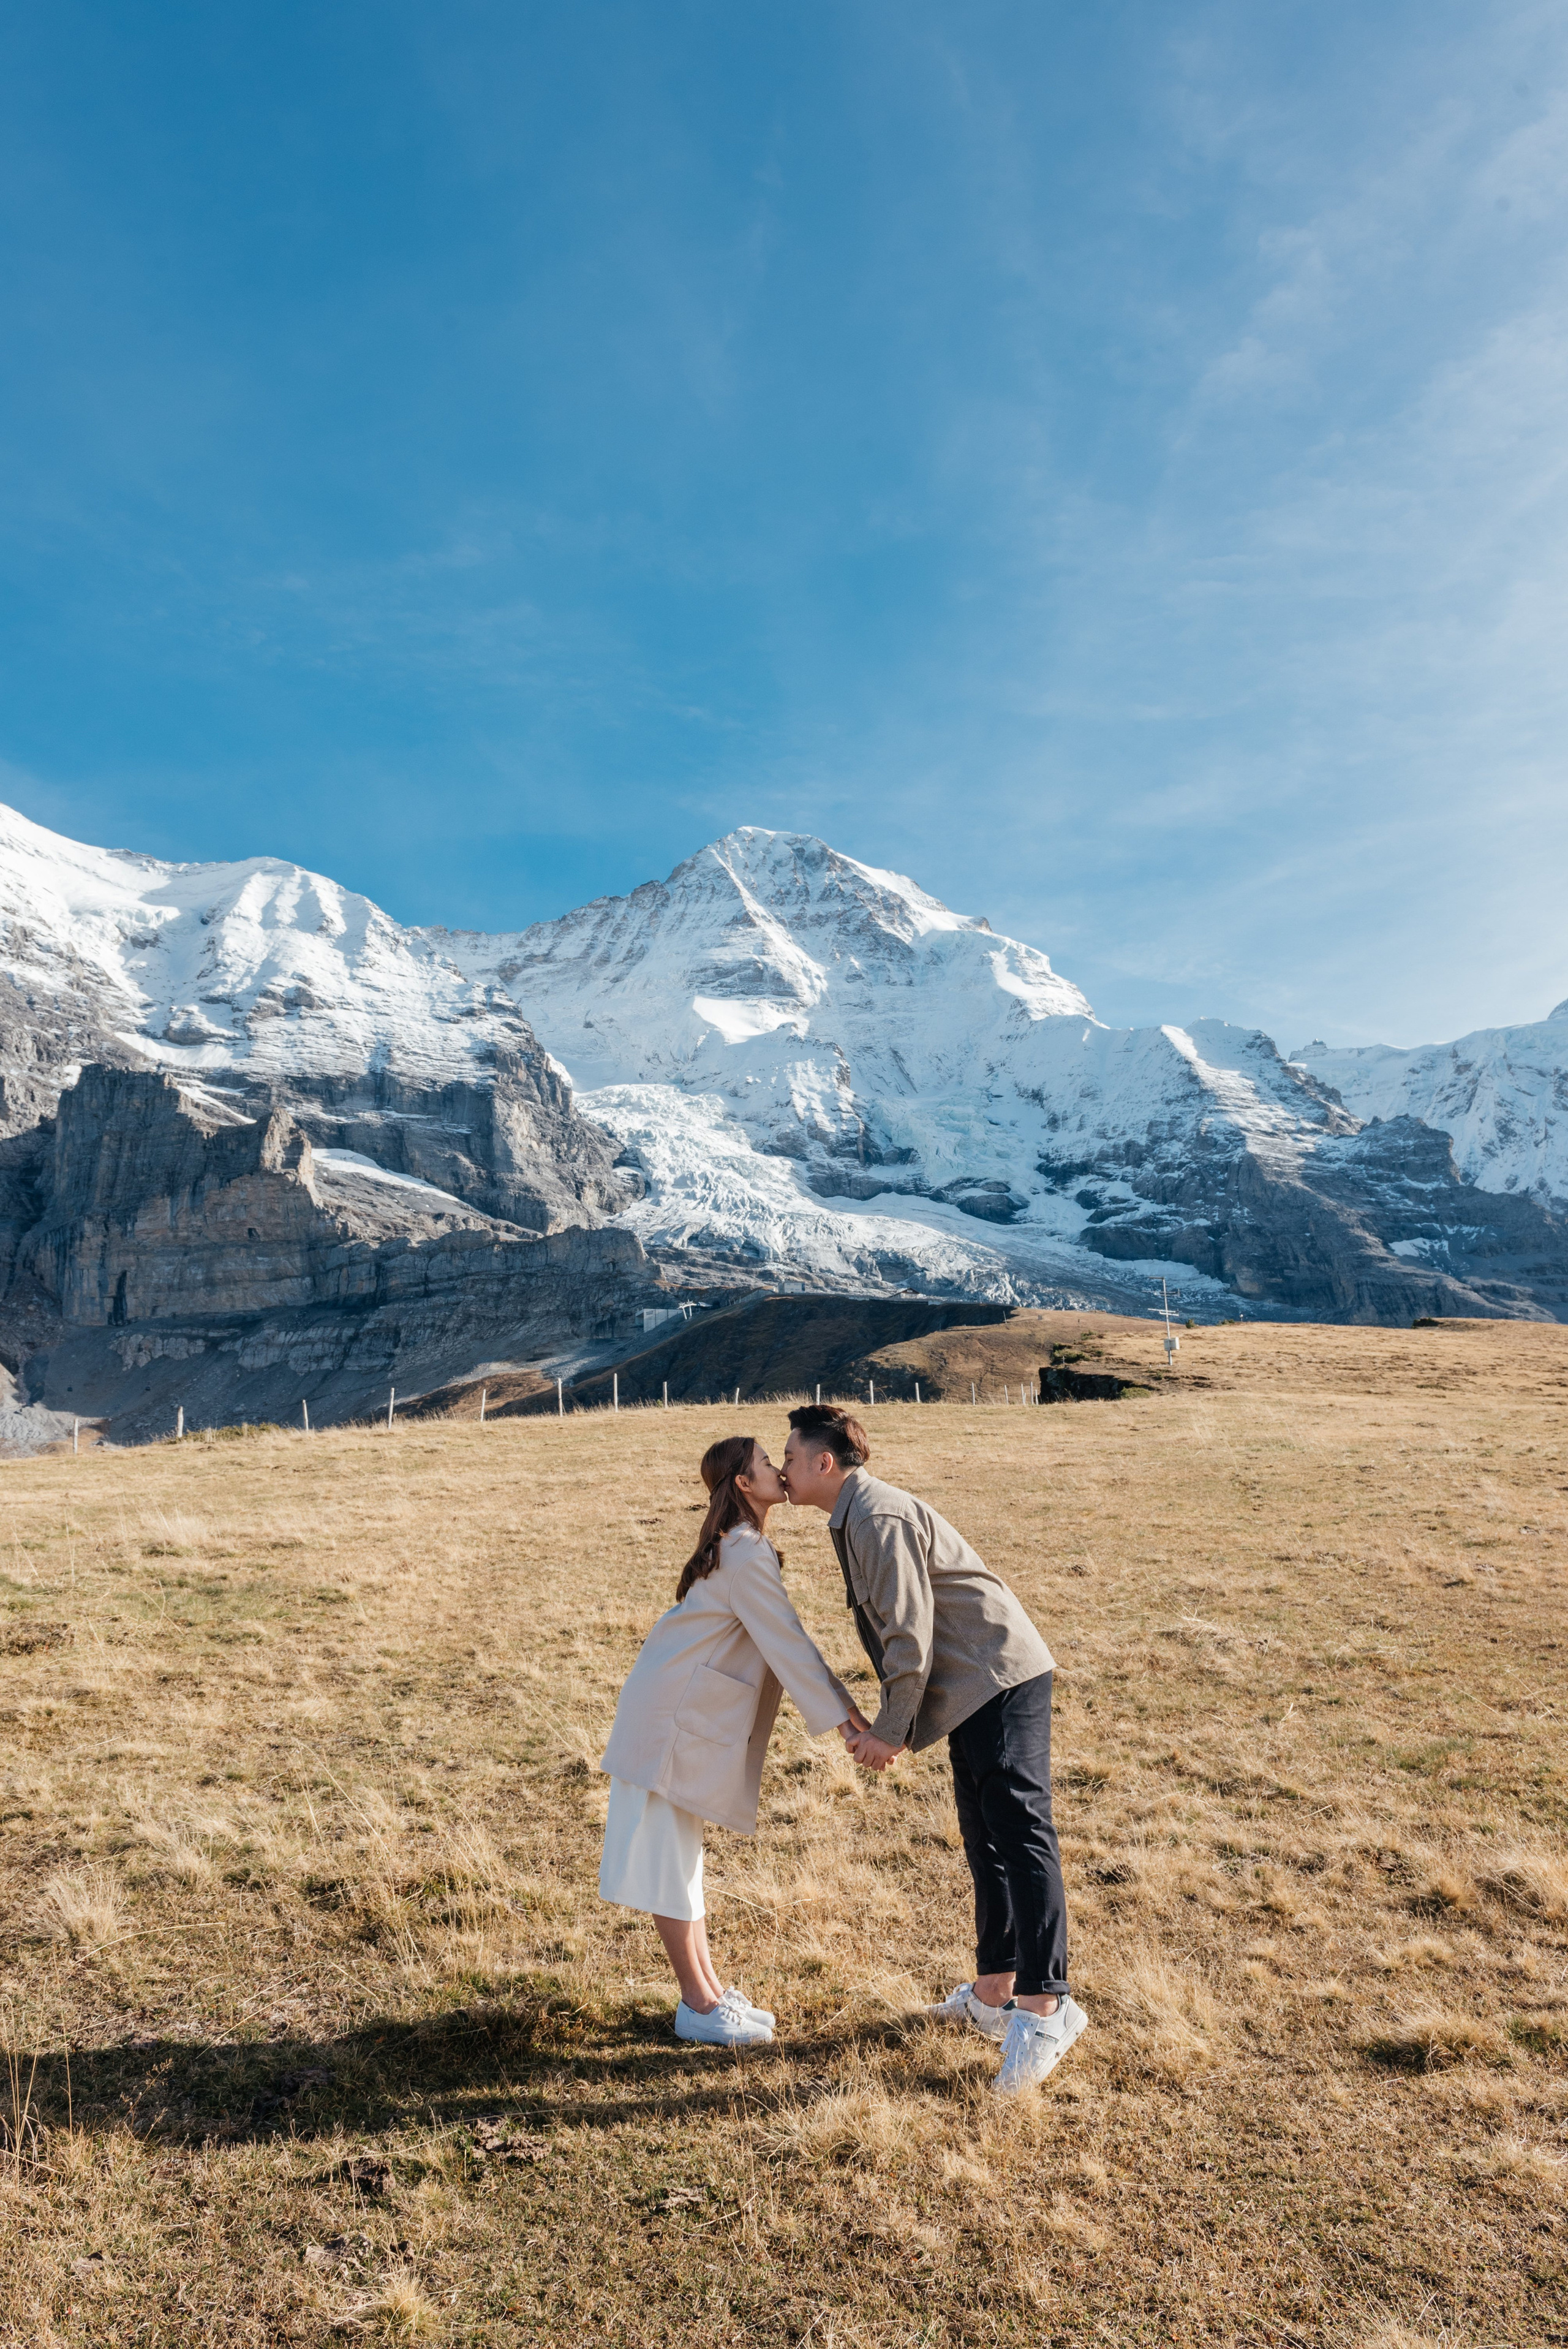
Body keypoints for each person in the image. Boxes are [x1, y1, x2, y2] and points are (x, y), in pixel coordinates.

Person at [780, 1402, 1087, 2095]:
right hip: (971, 1687)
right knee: (986, 1839)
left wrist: (890, 1731)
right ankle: (993, 1993)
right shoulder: (856, 1512)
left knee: (1021, 1834)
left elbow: (908, 1637)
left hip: (999, 1677)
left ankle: (1046, 2009)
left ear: (824, 1463)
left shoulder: (877, 1517)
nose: (783, 1469)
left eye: (791, 1458)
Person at [598, 1432, 865, 2048]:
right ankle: (696, 2004)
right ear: (745, 1484)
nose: (780, 1470)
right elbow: (790, 1646)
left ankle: (710, 1996)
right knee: (671, 1865)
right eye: (769, 1463)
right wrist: (849, 1721)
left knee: (682, 1862)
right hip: (668, 1722)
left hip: (673, 1715)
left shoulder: (744, 1546)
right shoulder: (744, 1552)